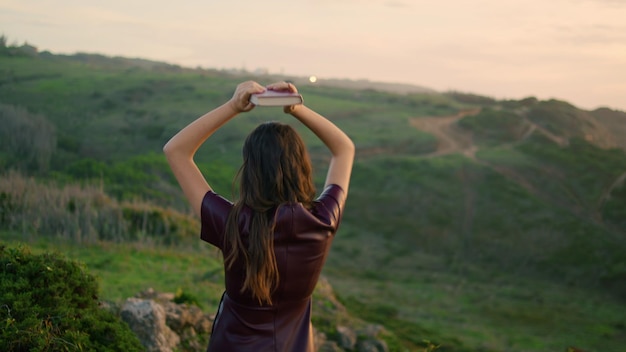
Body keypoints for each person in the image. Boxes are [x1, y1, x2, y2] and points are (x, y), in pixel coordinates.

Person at [163, 80, 355, 351]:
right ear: (300, 166)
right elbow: (344, 149)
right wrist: (296, 108)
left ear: (250, 171)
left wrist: (234, 106)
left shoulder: (232, 222)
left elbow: (176, 151)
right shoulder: (323, 221)